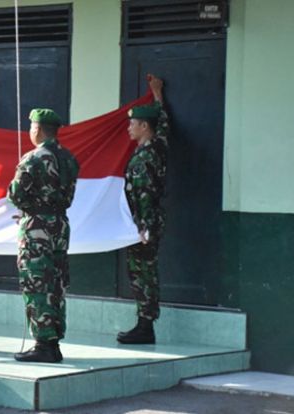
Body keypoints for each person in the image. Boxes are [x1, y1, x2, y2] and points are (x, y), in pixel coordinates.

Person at [7, 108, 79, 363]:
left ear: (37, 129)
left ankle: (43, 343)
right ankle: (54, 341)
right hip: (59, 225)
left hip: (37, 228)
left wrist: (30, 209)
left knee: (36, 282)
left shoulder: (33, 158)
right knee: (56, 282)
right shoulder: (68, 158)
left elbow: (15, 194)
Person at [117, 74, 169, 345]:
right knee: (141, 271)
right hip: (143, 222)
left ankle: (145, 326)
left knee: (143, 273)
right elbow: (164, 124)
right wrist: (156, 94)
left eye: (133, 124)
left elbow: (145, 195)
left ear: (144, 126)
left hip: (144, 224)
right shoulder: (157, 145)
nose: (129, 129)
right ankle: (144, 323)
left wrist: (144, 227)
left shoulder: (148, 156)